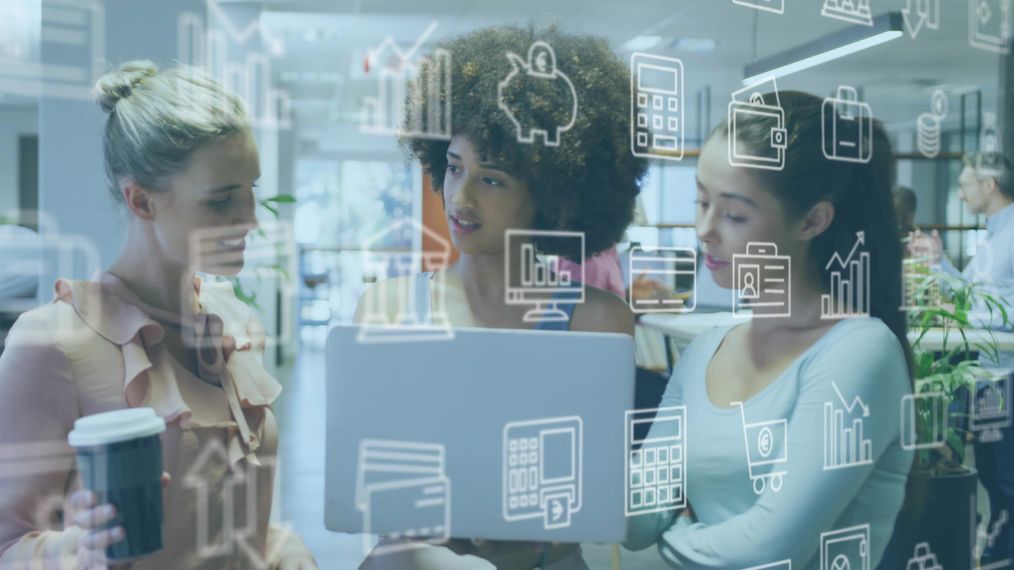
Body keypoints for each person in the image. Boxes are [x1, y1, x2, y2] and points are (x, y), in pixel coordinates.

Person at [0, 61, 316, 569]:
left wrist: (275, 545)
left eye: (251, 189)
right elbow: (7, 545)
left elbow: (208, 519)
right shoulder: (53, 343)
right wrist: (73, 551)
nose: (251, 219)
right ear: (141, 200)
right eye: (221, 200)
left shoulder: (232, 324)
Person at [354, 25, 644, 570]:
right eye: (455, 167)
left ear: (553, 196)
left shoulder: (599, 322)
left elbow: (598, 495)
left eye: (492, 180)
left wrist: (532, 542)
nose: (458, 197)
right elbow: (373, 482)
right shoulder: (386, 309)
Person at [624, 91, 913, 569]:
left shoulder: (859, 352)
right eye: (701, 201)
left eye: (735, 214)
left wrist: (677, 534)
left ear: (813, 220)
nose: (705, 229)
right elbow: (640, 516)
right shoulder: (707, 350)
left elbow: (770, 550)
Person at [909, 152, 1014, 569]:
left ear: (989, 185)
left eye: (965, 184)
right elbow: (970, 293)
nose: (961, 191)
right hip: (990, 376)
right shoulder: (993, 236)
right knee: (994, 478)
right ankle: (1008, 559)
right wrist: (940, 264)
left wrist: (972, 319)